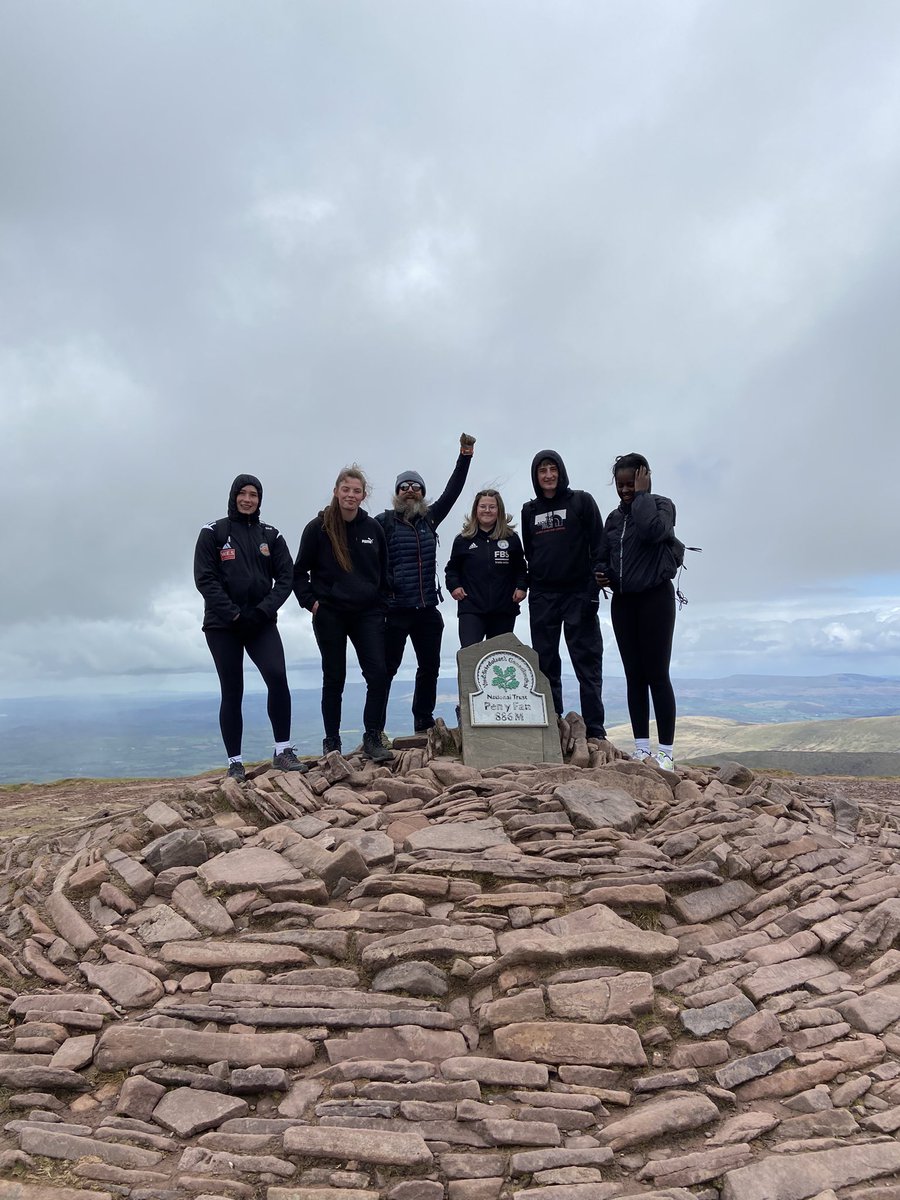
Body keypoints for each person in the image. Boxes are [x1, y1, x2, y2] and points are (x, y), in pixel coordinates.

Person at [194, 473, 307, 781]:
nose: (247, 499)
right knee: (232, 690)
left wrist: (262, 611)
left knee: (277, 676)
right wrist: (233, 614)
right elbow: (205, 578)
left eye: (253, 495)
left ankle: (282, 751)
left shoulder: (271, 535)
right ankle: (235, 763)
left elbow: (286, 577)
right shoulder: (213, 532)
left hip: (260, 622)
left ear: (259, 500)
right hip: (222, 625)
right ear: (234, 496)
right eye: (242, 493)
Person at [293, 466, 393, 762]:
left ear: (364, 495)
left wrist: (382, 604)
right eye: (346, 489)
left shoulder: (373, 529)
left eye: (356, 491)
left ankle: (372, 737)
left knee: (378, 674)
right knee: (334, 677)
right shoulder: (318, 528)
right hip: (330, 614)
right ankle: (332, 742)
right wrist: (311, 603)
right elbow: (299, 573)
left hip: (367, 614)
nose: (351, 495)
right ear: (336, 491)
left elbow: (384, 572)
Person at [376, 433, 475, 732]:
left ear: (422, 493)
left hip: (427, 608)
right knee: (386, 670)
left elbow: (453, 491)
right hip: (394, 610)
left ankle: (423, 720)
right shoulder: (383, 522)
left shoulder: (430, 518)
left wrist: (465, 456)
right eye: (404, 487)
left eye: (416, 487)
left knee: (430, 667)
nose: (410, 490)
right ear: (397, 492)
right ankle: (375, 729)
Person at [521, 450, 608, 742]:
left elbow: (599, 547)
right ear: (535, 476)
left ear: (561, 471)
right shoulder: (529, 511)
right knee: (546, 663)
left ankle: (595, 730)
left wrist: (593, 591)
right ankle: (553, 726)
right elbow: (531, 553)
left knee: (587, 663)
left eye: (552, 469)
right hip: (543, 596)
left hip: (578, 594)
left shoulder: (581, 501)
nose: (548, 475)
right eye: (542, 470)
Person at [600, 453, 679, 771]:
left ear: (644, 479)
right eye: (620, 484)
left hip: (656, 598)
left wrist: (643, 497)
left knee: (657, 675)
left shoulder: (662, 506)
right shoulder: (613, 518)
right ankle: (641, 749)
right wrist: (600, 573)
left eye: (631, 483)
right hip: (623, 602)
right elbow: (603, 554)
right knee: (634, 676)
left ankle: (666, 754)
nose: (624, 490)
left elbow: (652, 532)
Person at [445, 489, 528, 647]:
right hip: (471, 608)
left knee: (498, 655)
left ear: (499, 510)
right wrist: (454, 586)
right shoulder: (463, 540)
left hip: (503, 609)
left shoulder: (511, 538)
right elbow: (452, 569)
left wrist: (522, 587)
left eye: (492, 507)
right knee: (470, 654)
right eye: (483, 506)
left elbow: (521, 568)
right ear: (476, 509)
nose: (487, 511)